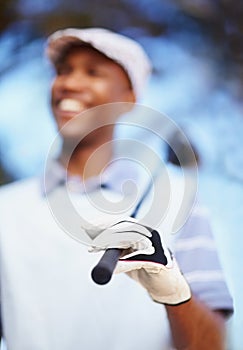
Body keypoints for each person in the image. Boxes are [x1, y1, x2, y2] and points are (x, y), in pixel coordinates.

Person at [0, 27, 233, 350]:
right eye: (64, 71)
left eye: (93, 72)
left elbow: (211, 346)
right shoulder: (5, 209)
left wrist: (174, 295)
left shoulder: (180, 197)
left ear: (128, 99)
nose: (69, 83)